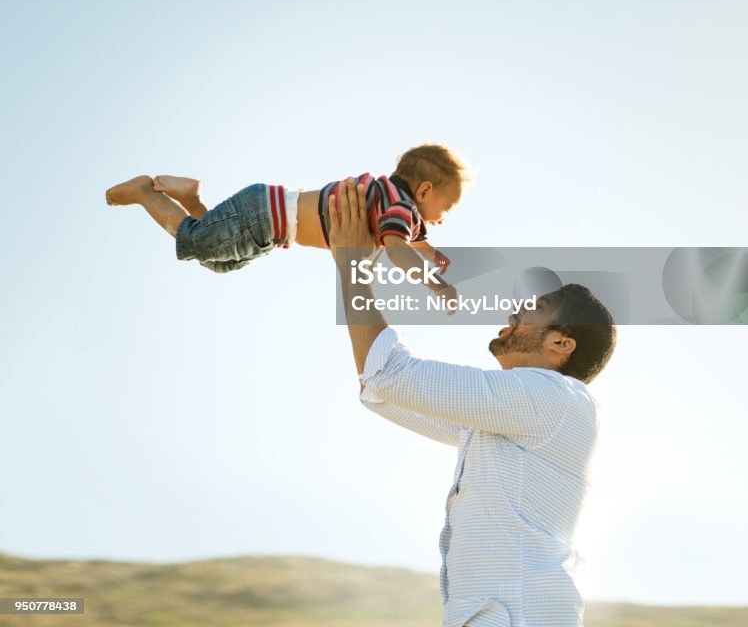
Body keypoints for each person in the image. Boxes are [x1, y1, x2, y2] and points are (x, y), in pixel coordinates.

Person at [328, 179, 617, 627]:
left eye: (534, 307)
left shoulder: (552, 398)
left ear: (562, 342)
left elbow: (389, 375)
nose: (515, 311)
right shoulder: (509, 421)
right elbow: (380, 388)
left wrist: (354, 266)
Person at [105, 143, 469, 280]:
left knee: (219, 263)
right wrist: (435, 284)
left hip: (268, 222)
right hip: (266, 217)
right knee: (195, 241)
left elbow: (415, 244)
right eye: (446, 207)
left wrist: (439, 259)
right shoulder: (399, 208)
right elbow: (398, 249)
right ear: (423, 190)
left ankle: (192, 198)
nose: (444, 217)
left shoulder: (395, 203)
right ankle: (144, 191)